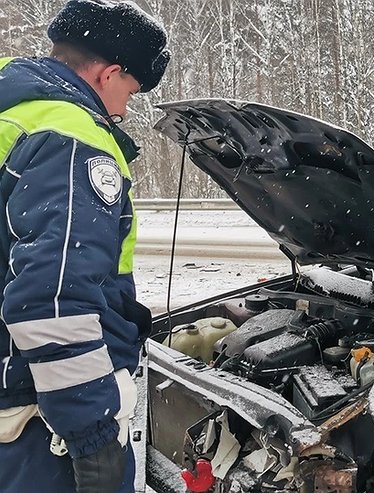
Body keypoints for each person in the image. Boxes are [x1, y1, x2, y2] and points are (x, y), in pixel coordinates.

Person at [0, 1, 169, 492]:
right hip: (35, 418)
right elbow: (53, 303)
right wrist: (92, 432)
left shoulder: (14, 109)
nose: (122, 110)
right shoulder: (71, 138)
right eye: (131, 93)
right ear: (110, 73)